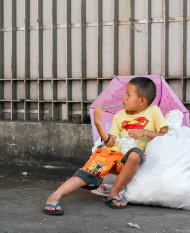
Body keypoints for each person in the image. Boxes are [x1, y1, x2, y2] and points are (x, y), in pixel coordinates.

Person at [44, 77, 168, 215]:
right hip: (110, 154)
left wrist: (144, 131)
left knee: (135, 154)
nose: (124, 98)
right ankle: (55, 195)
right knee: (87, 173)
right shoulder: (119, 116)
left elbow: (165, 134)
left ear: (141, 100)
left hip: (128, 158)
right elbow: (110, 142)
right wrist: (98, 123)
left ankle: (114, 191)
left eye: (128, 94)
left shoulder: (153, 111)